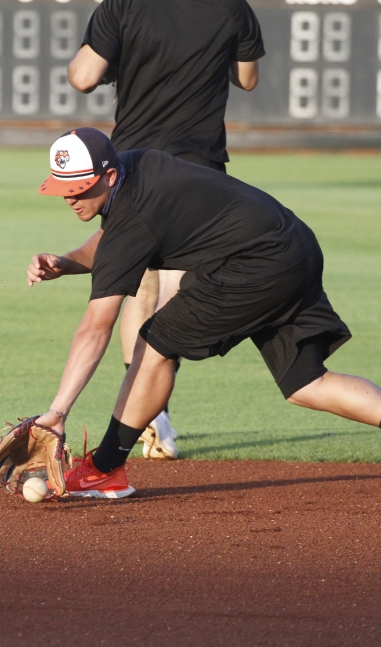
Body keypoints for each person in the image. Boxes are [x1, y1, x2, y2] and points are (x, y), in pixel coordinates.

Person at [27, 128, 381, 504]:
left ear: (108, 174)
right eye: (63, 187)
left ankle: (106, 468)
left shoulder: (133, 215)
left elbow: (95, 326)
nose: (70, 198)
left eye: (80, 188)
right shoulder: (136, 165)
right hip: (291, 245)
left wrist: (57, 410)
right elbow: (112, 237)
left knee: (157, 342)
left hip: (256, 263)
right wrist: (67, 262)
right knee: (304, 382)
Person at [57, 0, 266, 458]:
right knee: (176, 289)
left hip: (134, 163)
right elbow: (247, 78)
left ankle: (152, 414)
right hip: (199, 165)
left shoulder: (123, 4)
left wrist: (117, 60)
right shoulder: (233, 6)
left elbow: (84, 76)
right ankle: (156, 410)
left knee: (140, 288)